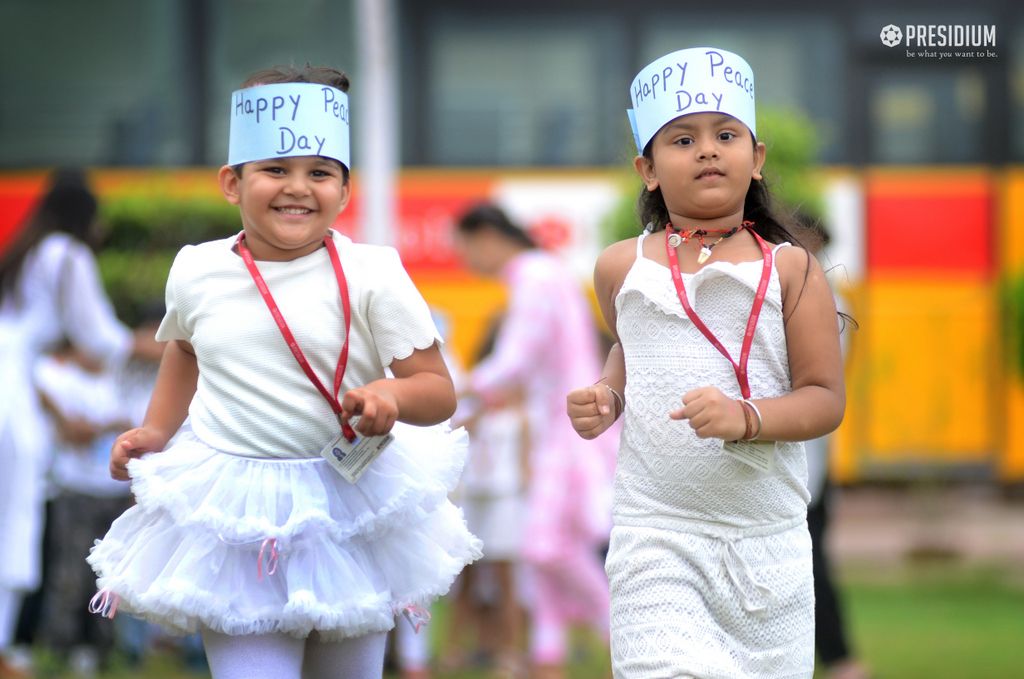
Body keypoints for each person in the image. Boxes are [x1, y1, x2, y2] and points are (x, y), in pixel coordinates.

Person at [87, 64, 482, 679]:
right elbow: (185, 349)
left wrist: (392, 398)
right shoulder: (196, 270)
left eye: (319, 173)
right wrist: (156, 431)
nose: (298, 187)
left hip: (348, 505)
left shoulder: (374, 272)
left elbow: (438, 390)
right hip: (235, 511)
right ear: (231, 182)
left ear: (345, 191)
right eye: (275, 169)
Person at [567, 48, 845, 679]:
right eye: (682, 139)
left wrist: (745, 416)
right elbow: (628, 348)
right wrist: (607, 397)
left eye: (726, 135)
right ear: (648, 169)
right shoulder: (620, 266)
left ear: (758, 157)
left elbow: (825, 398)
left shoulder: (791, 268)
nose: (708, 150)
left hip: (767, 542)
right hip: (655, 536)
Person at [0, 170, 157, 679]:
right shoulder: (66, 254)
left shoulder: (28, 253)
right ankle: (8, 649)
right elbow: (99, 338)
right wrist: (162, 349)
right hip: (13, 400)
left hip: (17, 387)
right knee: (16, 520)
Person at [456, 206, 614, 679]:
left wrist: (452, 400)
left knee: (544, 548)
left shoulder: (534, 275)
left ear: (485, 237)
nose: (464, 259)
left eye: (463, 246)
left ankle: (625, 630)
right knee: (541, 561)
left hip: (571, 436)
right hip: (559, 432)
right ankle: (548, 663)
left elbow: (514, 361)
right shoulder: (544, 273)